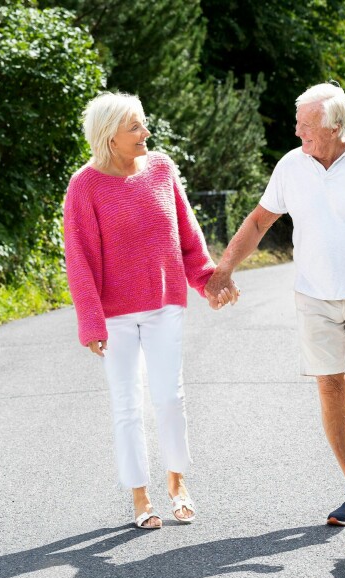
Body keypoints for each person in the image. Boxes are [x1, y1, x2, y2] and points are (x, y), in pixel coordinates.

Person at [205, 82, 345, 525]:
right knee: (330, 388)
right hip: (314, 298)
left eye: (307, 126)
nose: (298, 134)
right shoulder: (291, 167)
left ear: (335, 126)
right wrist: (223, 271)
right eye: (298, 125)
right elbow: (259, 221)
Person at [63, 92, 238, 530]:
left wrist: (210, 280)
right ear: (109, 137)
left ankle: (177, 483)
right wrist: (91, 321)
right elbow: (79, 258)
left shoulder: (161, 169)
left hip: (164, 305)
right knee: (127, 404)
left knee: (169, 396)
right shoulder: (84, 185)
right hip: (115, 313)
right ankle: (140, 497)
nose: (145, 133)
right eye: (135, 127)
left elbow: (187, 234)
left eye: (143, 124)